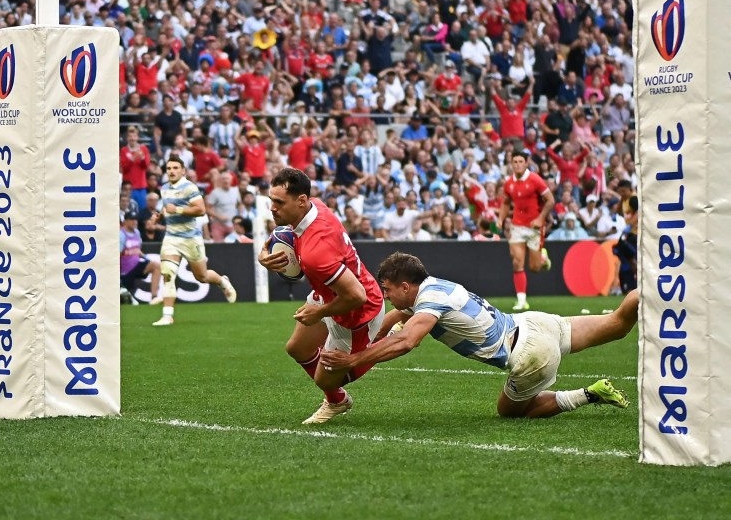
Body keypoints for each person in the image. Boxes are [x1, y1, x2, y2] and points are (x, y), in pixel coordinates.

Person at [321, 252, 636, 419]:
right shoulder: (435, 287)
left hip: (529, 353)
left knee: (510, 412)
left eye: (388, 290)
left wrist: (354, 359)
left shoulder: (429, 302)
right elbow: (395, 317)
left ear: (405, 286)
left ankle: (589, 394)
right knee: (619, 322)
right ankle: (649, 288)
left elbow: (407, 341)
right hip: (536, 324)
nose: (387, 297)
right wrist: (372, 341)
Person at [258, 167, 385, 424]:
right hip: (330, 294)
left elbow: (356, 296)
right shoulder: (314, 206)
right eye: (271, 200)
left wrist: (320, 311)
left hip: (356, 313)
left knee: (325, 379)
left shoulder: (318, 252)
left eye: (279, 202)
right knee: (297, 348)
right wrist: (264, 256)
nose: (272, 207)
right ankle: (338, 401)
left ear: (301, 200)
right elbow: (277, 238)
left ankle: (386, 339)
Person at [148, 156, 237, 326]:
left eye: (175, 168)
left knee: (202, 276)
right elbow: (166, 207)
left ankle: (221, 280)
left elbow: (201, 210)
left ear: (183, 171)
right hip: (171, 237)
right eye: (169, 168)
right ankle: (168, 315)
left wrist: (178, 209)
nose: (172, 171)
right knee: (167, 274)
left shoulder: (190, 188)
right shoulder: (164, 188)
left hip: (190, 239)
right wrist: (158, 217)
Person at [499, 151, 554, 311]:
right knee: (517, 262)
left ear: (526, 162)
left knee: (535, 268)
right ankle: (521, 301)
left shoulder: (535, 180)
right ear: (511, 163)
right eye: (514, 161)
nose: (517, 164)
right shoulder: (509, 183)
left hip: (534, 227)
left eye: (520, 161)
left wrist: (540, 218)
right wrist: (501, 218)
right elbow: (506, 202)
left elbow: (550, 200)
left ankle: (542, 258)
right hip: (517, 225)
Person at [120, 210, 162, 304]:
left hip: (136, 265)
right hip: (125, 270)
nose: (134, 222)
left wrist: (146, 257)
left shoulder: (137, 232)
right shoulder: (121, 235)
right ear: (125, 221)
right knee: (124, 300)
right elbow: (117, 255)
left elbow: (137, 250)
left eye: (135, 220)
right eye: (131, 219)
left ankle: (154, 297)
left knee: (156, 266)